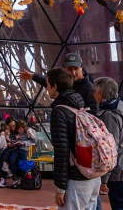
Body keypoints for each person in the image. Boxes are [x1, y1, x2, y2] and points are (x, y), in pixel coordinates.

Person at [47, 68, 100, 210]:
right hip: (93, 176)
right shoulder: (80, 106)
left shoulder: (60, 111)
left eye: (47, 85)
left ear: (55, 86)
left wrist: (61, 187)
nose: (47, 89)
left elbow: (62, 150)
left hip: (77, 180)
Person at [93, 77, 123, 210]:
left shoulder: (110, 114)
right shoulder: (120, 108)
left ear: (101, 93)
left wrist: (104, 178)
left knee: (120, 206)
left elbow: (110, 148)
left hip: (117, 170)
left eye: (94, 91)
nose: (93, 94)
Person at [19, 52, 98, 113]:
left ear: (81, 67)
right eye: (70, 69)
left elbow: (93, 112)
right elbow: (52, 84)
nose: (73, 73)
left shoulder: (89, 88)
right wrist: (34, 76)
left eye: (76, 69)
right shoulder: (67, 83)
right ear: (64, 69)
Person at [3, 121, 34, 188]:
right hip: (16, 148)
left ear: (23, 128)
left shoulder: (28, 132)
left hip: (24, 148)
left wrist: (24, 143)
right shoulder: (16, 134)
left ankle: (23, 178)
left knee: (23, 160)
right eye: (18, 129)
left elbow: (33, 141)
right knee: (12, 159)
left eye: (20, 129)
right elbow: (12, 140)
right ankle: (16, 177)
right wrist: (15, 140)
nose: (19, 131)